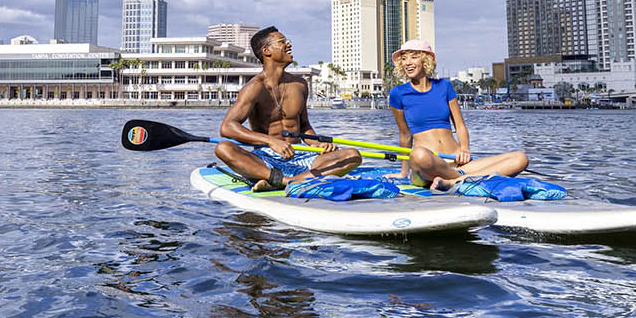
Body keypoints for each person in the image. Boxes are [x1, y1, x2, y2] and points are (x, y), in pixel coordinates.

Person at [216, 26, 362, 188]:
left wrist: (316, 144)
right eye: (282, 42)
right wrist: (271, 141)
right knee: (223, 148)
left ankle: (283, 181)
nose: (289, 45)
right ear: (267, 51)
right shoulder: (254, 87)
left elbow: (304, 126)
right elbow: (227, 127)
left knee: (352, 155)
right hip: (266, 158)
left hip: (301, 155)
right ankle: (286, 180)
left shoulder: (300, 85)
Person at [387, 40, 527, 191]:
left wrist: (464, 149)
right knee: (418, 155)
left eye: (413, 57)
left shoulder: (444, 86)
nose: (407, 62)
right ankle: (470, 179)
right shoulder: (398, 93)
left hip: (457, 163)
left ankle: (454, 181)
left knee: (520, 158)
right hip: (427, 165)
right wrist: (403, 172)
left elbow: (459, 125)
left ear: (425, 60)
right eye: (404, 58)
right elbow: (405, 134)